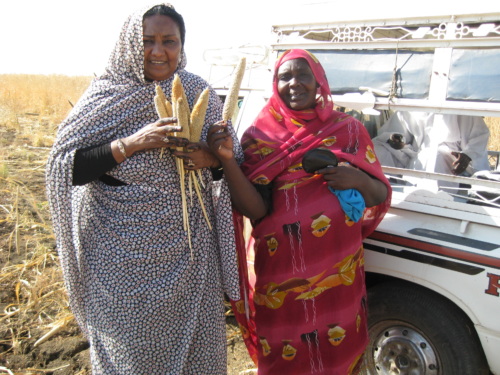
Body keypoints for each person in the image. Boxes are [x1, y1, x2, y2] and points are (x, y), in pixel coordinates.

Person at [45, 3, 242, 374]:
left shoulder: (197, 90)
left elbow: (233, 164)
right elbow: (62, 167)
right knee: (132, 361)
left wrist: (212, 159)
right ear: (128, 44)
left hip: (190, 258)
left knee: (199, 360)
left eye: (169, 40)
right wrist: (132, 143)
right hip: (119, 261)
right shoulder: (105, 96)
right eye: (147, 40)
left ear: (182, 45)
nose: (158, 50)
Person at [208, 49, 391, 374]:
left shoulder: (348, 131)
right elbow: (256, 209)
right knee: (283, 356)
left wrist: (356, 178)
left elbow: (378, 194)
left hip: (338, 276)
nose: (294, 83)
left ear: (319, 81)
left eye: (303, 75)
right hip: (281, 281)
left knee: (341, 352)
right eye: (285, 76)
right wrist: (225, 160)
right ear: (275, 83)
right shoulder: (259, 137)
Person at [373, 111, 490, 175]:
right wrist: (395, 140)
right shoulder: (414, 104)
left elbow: (479, 136)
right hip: (415, 154)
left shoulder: (458, 105)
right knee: (378, 149)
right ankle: (382, 191)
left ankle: (425, 199)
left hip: (449, 157)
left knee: (433, 158)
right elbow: (396, 133)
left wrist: (467, 156)